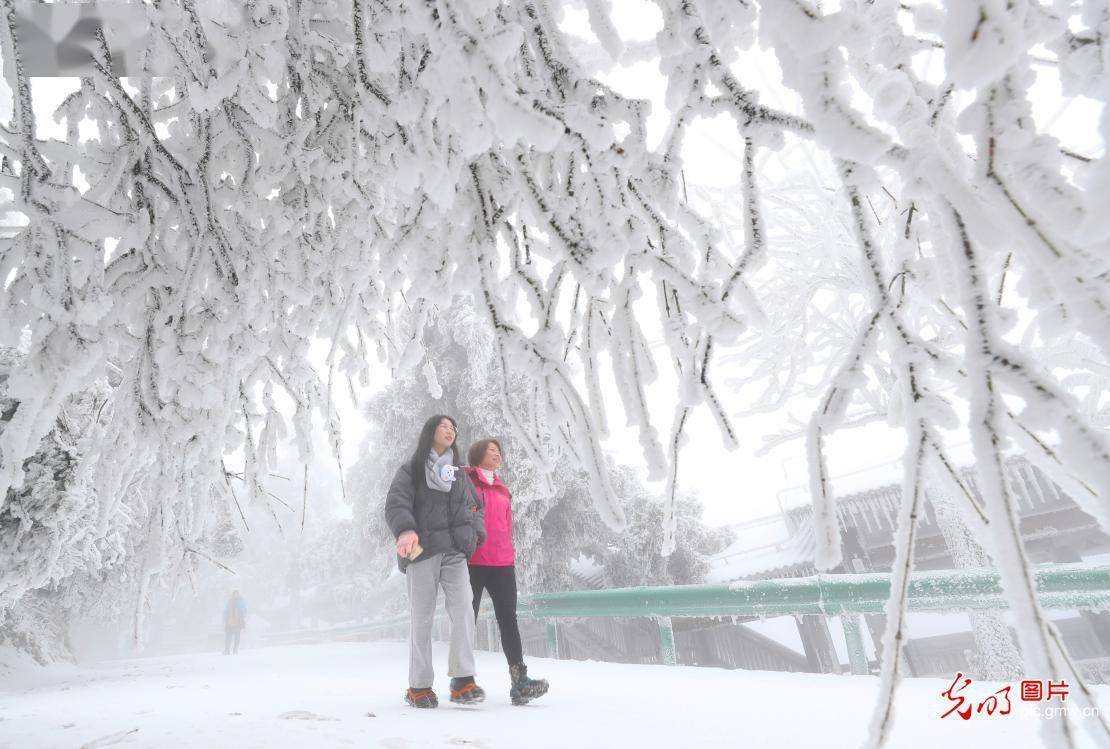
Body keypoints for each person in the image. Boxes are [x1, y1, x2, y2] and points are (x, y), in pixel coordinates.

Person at [385, 415, 487, 708]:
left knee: (464, 609)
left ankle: (462, 679)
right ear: (430, 431)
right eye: (444, 426)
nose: (450, 430)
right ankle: (419, 686)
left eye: (454, 427)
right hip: (422, 550)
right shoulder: (413, 469)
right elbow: (396, 501)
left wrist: (475, 533)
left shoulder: (458, 475)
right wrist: (405, 529)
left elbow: (475, 506)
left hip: (454, 551)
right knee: (422, 617)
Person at [465, 438, 549, 706]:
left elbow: (506, 526)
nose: (497, 454)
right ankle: (463, 679)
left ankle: (519, 682)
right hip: (473, 562)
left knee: (508, 620)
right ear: (477, 456)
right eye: (491, 451)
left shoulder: (502, 489)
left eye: (498, 451)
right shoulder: (466, 483)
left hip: (502, 563)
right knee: (468, 619)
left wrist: (510, 554)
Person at [223, 590, 246, 655]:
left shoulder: (241, 601)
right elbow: (225, 611)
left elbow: (244, 610)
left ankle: (235, 650)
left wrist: (242, 617)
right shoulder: (229, 602)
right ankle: (227, 650)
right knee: (228, 637)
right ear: (232, 595)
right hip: (230, 622)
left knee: (237, 637)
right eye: (234, 594)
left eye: (237, 594)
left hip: (237, 622)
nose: (235, 595)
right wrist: (225, 619)